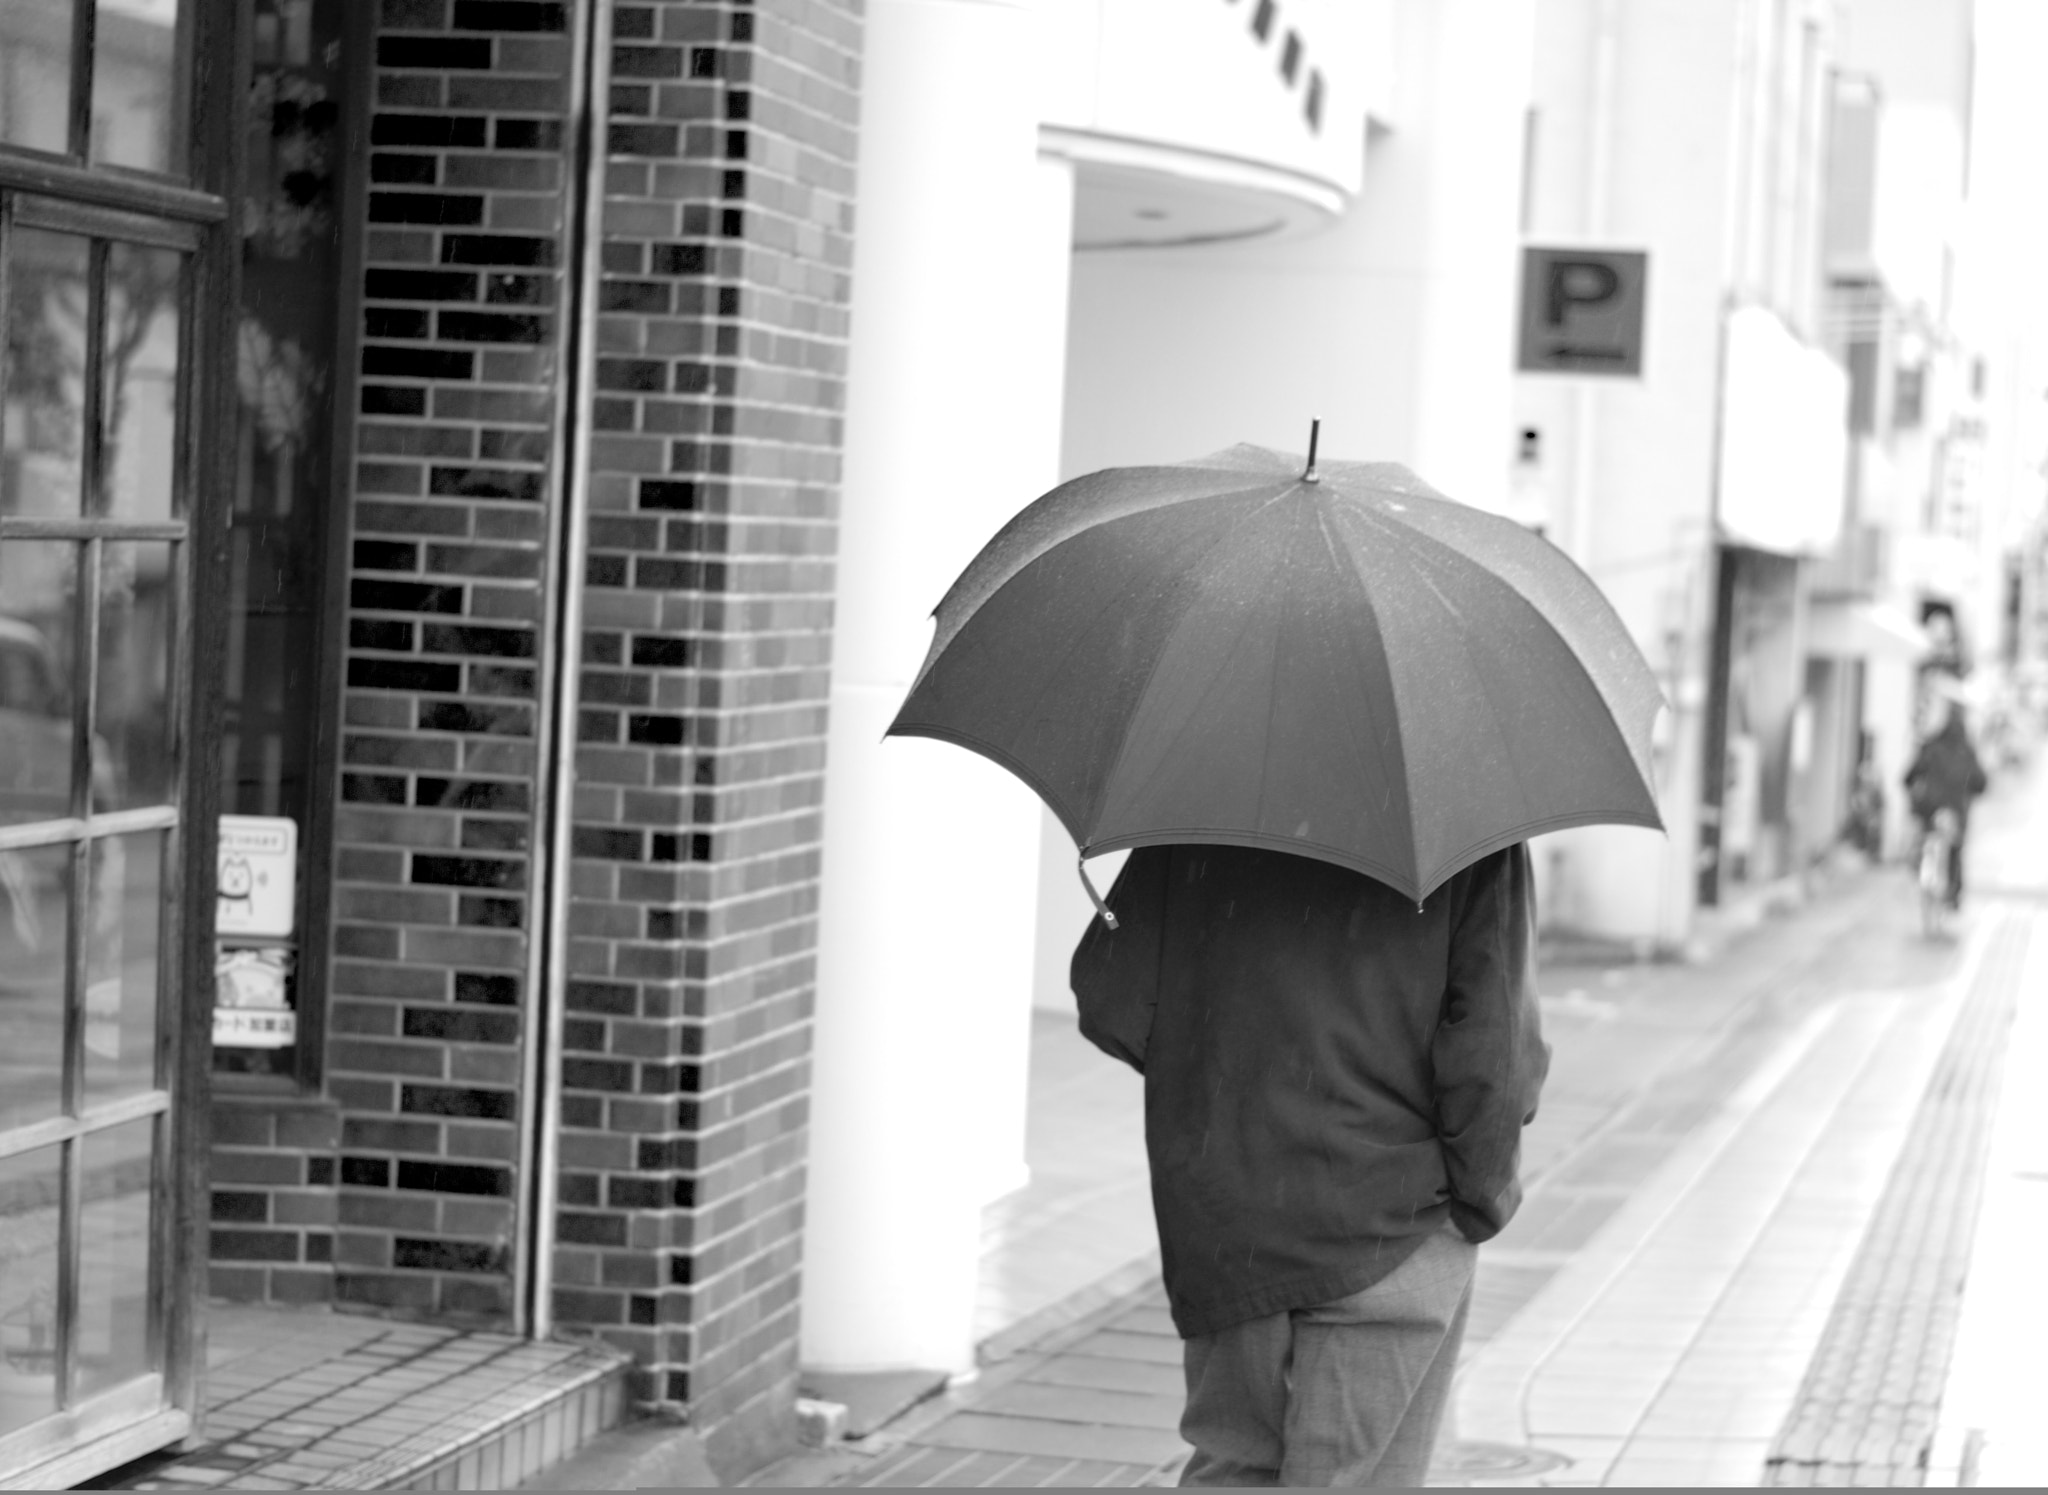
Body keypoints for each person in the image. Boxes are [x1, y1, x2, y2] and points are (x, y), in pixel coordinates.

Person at [1071, 841, 1549, 1487]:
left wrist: (1225, 1084)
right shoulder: (1466, 825)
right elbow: (1496, 1054)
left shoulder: (1205, 797)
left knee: (1231, 1471)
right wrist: (1477, 1201)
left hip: (1226, 1222)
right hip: (1390, 1217)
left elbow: (1111, 998)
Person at [1903, 693, 1988, 910]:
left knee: (1926, 836)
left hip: (1929, 809)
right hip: (1957, 811)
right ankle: (1953, 895)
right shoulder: (1967, 751)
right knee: (1955, 849)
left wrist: (1912, 789)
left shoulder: (1932, 746)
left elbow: (1910, 775)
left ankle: (1919, 864)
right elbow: (1981, 782)